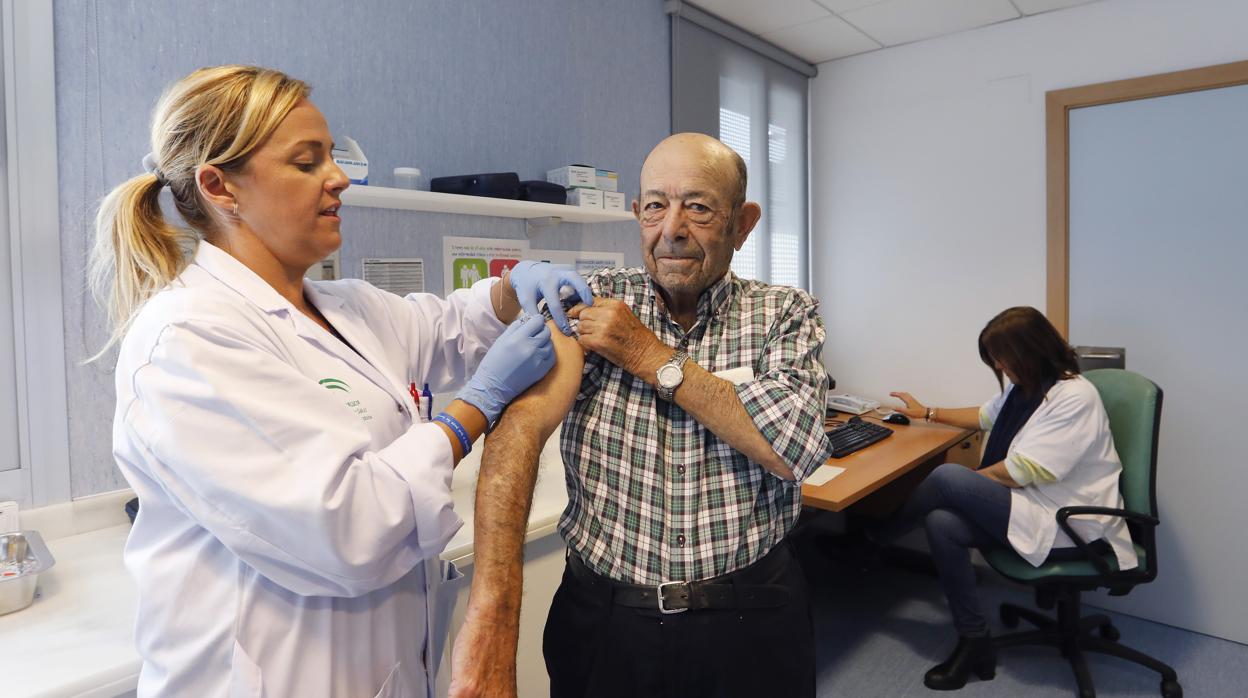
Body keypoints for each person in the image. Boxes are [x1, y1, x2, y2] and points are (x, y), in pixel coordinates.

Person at [90, 65, 592, 697]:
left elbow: (445, 327)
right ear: (220, 187)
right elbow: (347, 527)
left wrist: (510, 288)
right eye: (307, 163)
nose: (340, 179)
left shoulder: (342, 307)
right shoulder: (187, 340)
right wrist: (476, 409)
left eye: (331, 156)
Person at [500, 132, 828, 698]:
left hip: (750, 619)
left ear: (742, 223)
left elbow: (790, 449)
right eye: (655, 205)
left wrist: (647, 355)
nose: (671, 229)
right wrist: (512, 288)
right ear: (637, 214)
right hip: (606, 621)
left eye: (697, 207)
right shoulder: (597, 301)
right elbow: (521, 408)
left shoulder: (784, 312)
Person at [883, 306, 1138, 691]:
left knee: (948, 478)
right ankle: (975, 641)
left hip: (1072, 523)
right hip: (1032, 507)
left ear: (1031, 350)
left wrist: (965, 488)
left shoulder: (1073, 397)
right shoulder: (1028, 389)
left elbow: (1020, 473)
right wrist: (928, 412)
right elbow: (985, 415)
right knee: (941, 522)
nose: (1000, 365)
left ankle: (878, 539)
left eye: (1003, 358)